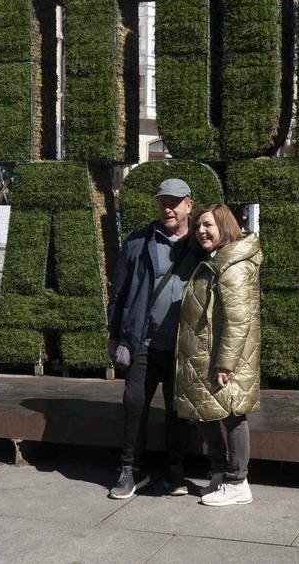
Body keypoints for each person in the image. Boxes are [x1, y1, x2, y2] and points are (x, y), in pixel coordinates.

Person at [107, 178, 203, 499]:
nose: (168, 208)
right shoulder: (137, 242)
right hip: (143, 343)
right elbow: (118, 293)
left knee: (178, 412)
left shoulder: (202, 245)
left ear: (189, 204)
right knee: (134, 404)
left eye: (175, 202)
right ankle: (130, 470)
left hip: (182, 347)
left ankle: (174, 472)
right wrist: (114, 335)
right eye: (163, 201)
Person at [175, 204, 263, 507]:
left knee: (233, 416)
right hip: (206, 355)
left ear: (224, 227)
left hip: (226, 360)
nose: (201, 231)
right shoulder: (217, 260)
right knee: (206, 413)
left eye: (208, 225)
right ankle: (220, 473)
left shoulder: (233, 265)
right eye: (198, 225)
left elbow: (240, 320)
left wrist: (226, 363)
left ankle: (238, 481)